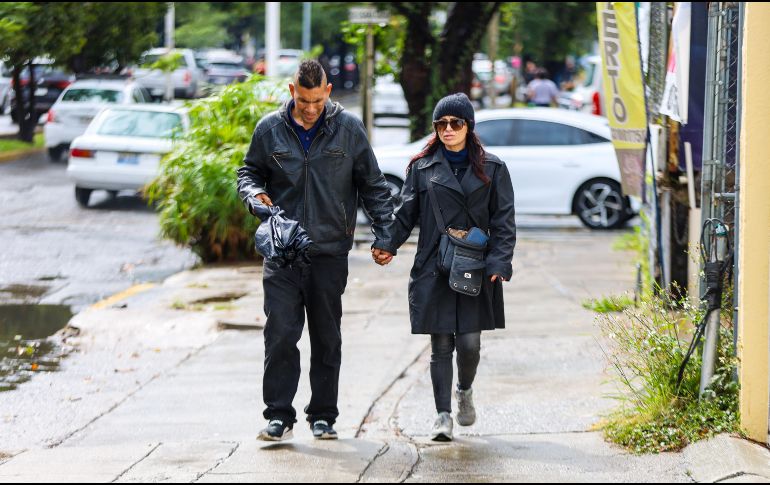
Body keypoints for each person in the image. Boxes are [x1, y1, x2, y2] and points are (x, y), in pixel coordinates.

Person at [237, 59, 394, 442]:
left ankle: (323, 416)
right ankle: (278, 415)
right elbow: (248, 173)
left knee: (326, 337)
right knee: (280, 335)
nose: (310, 109)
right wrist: (254, 195)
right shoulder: (269, 129)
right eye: (304, 100)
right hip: (283, 251)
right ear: (293, 92)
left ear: (328, 92)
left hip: (329, 251)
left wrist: (385, 235)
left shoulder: (349, 129)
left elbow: (374, 186)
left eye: (317, 101)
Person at [373, 93, 516, 441]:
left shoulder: (493, 168)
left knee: (469, 344)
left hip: (474, 266)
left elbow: (504, 220)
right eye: (441, 124)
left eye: (456, 123)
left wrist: (500, 261)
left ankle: (464, 390)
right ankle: (442, 416)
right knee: (440, 346)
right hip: (434, 265)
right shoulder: (421, 168)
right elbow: (405, 213)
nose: (448, 129)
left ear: (469, 126)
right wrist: (387, 244)